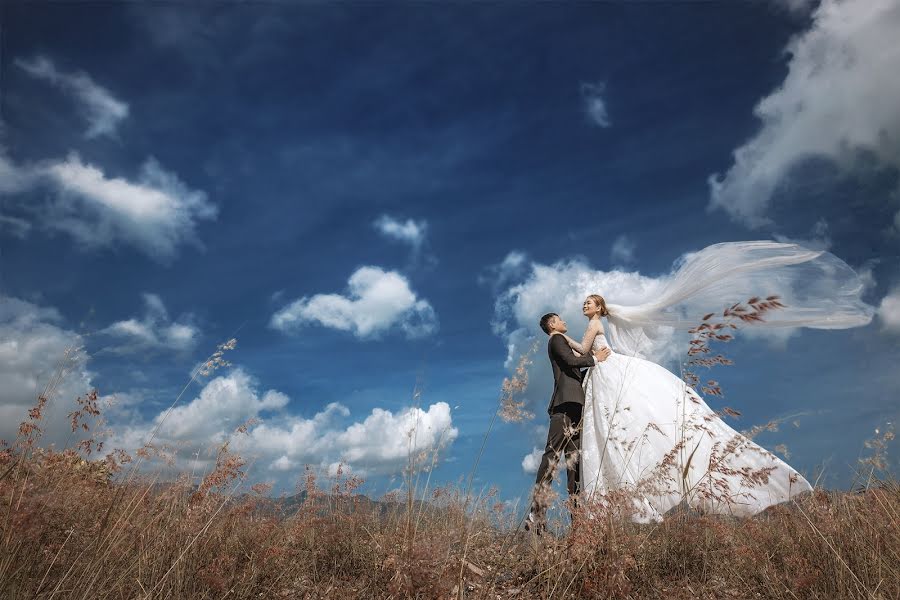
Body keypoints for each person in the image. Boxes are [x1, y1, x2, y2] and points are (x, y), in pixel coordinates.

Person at [560, 241, 873, 522]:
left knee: (613, 426)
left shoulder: (594, 325)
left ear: (600, 307)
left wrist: (561, 337)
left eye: (589, 302)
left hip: (605, 370)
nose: (585, 305)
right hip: (605, 369)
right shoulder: (599, 324)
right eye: (585, 302)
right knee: (624, 423)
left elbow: (584, 350)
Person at [526, 311, 611, 532]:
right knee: (552, 455)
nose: (565, 321)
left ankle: (578, 523)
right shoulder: (556, 339)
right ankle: (536, 513)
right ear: (553, 324)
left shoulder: (561, 340)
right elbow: (571, 360)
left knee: (575, 465)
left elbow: (574, 372)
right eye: (560, 319)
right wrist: (594, 359)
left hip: (575, 406)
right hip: (563, 406)